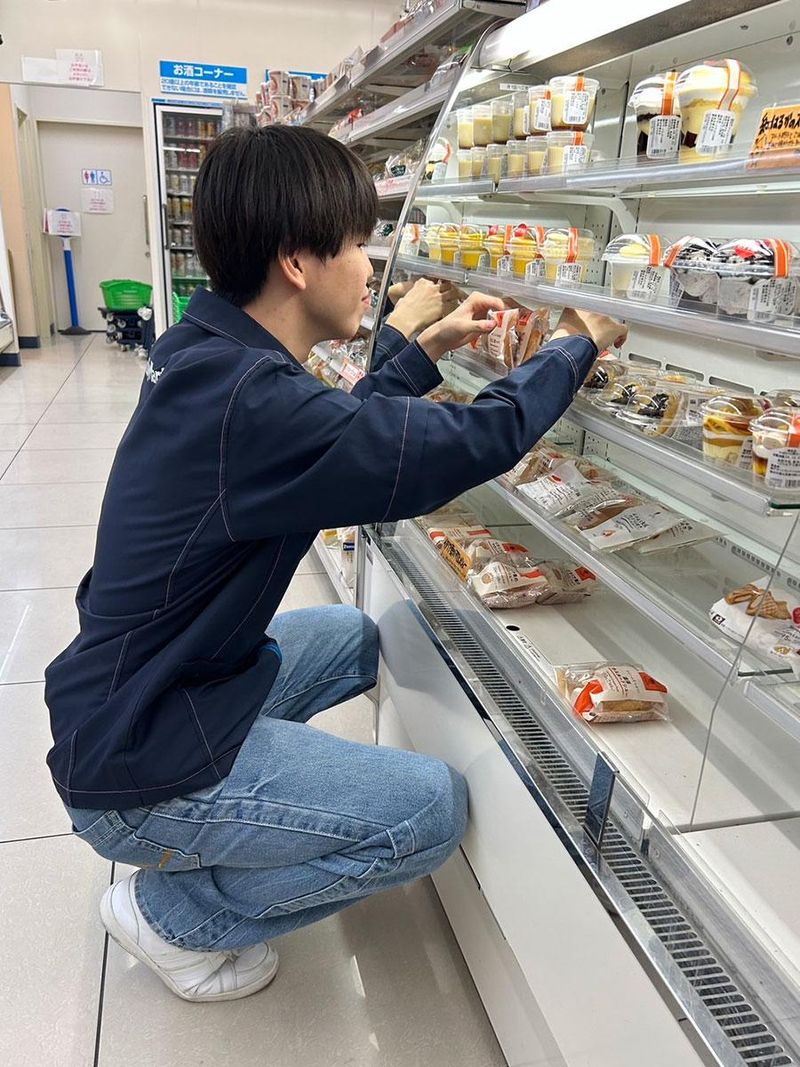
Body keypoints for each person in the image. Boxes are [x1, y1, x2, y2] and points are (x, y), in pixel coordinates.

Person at [44, 125, 627, 1004]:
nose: (369, 264)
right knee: (430, 809)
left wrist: (423, 348)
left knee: (350, 634)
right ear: (296, 262)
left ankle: (234, 813)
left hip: (140, 694)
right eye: (357, 243)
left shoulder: (210, 356)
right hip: (136, 760)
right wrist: (574, 341)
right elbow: (460, 444)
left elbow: (327, 435)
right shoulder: (250, 401)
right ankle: (174, 915)